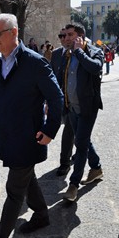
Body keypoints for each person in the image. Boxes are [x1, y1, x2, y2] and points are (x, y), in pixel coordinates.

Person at [0, 13, 62, 238]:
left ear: (14, 32)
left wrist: (50, 130)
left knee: (14, 190)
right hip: (4, 136)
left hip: (28, 138)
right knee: (27, 178)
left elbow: (56, 98)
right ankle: (41, 215)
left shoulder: (35, 62)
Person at [59, 23, 104, 202]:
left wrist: (79, 51)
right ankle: (96, 167)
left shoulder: (93, 51)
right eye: (64, 35)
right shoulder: (65, 54)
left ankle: (73, 184)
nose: (66, 38)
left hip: (87, 107)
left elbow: (95, 68)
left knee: (81, 144)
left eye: (70, 35)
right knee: (82, 140)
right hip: (71, 107)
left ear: (81, 36)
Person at [51, 28, 75, 177]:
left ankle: (64, 163)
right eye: (61, 36)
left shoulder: (81, 53)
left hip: (75, 101)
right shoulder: (56, 54)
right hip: (61, 100)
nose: (64, 38)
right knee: (74, 130)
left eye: (67, 35)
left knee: (69, 130)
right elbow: (52, 78)